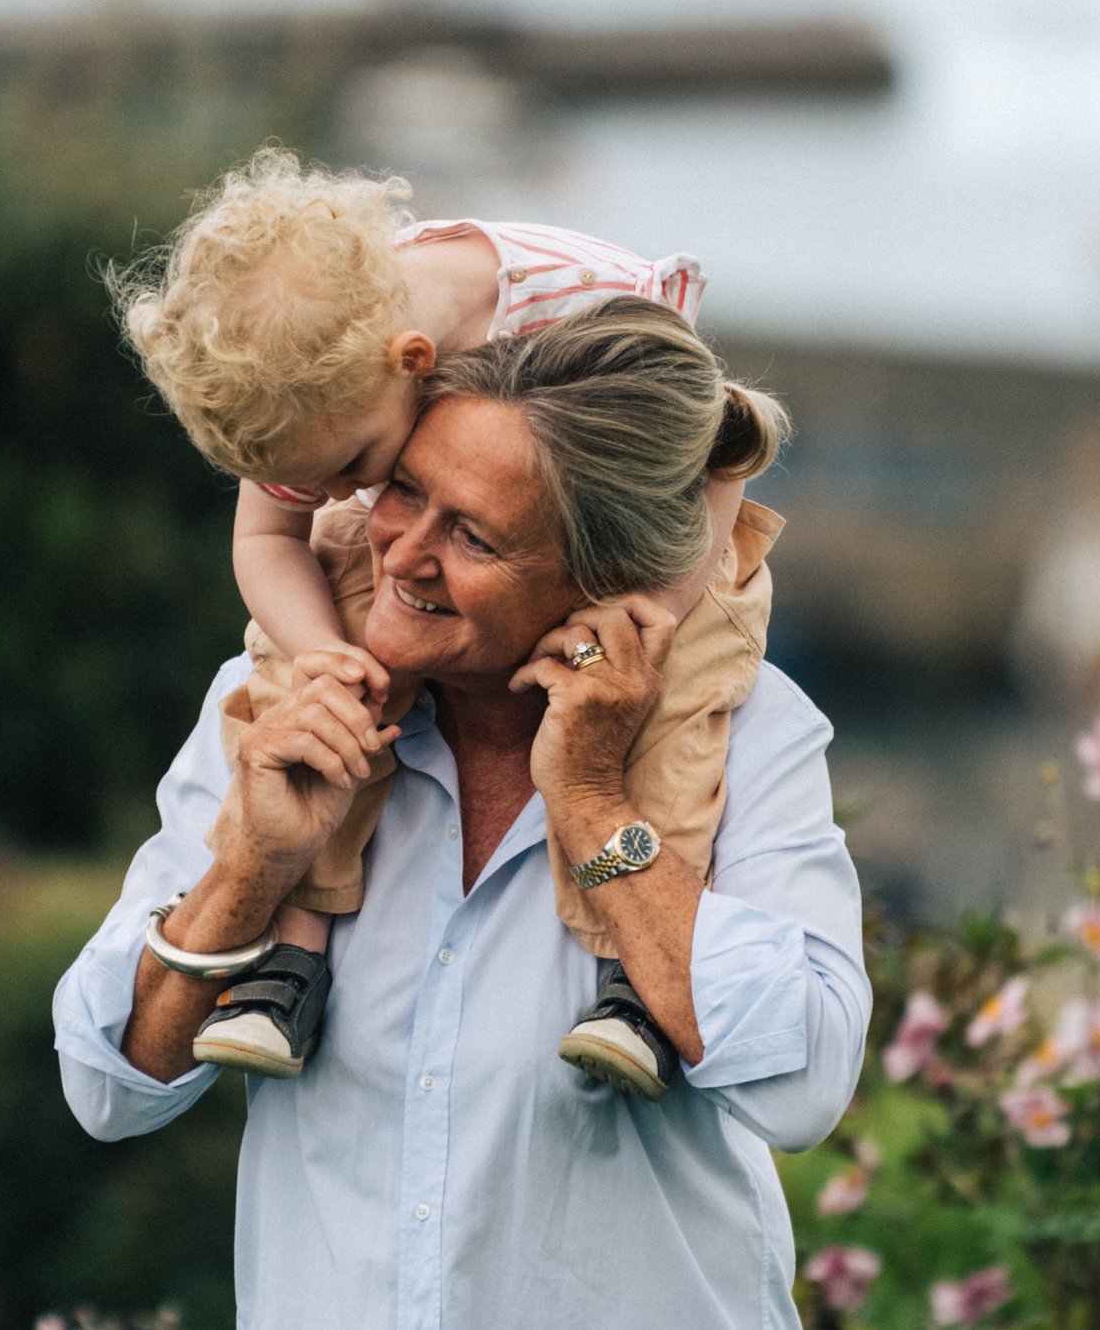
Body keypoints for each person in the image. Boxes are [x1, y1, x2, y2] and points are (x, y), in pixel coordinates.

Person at [52, 301, 867, 1329]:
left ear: (607, 583)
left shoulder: (746, 729)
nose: (400, 553)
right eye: (402, 490)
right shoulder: (275, 703)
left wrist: (591, 803)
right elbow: (108, 1083)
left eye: (473, 534)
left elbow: (803, 1084)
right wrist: (252, 864)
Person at [109, 151, 769, 1091]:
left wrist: (649, 614)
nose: (340, 499)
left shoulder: (581, 305)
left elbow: (719, 446)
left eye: (355, 465)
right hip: (470, 545)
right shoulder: (308, 376)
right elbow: (267, 540)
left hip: (658, 549)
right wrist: (324, 657)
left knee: (673, 705)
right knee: (301, 692)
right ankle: (286, 962)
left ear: (414, 364)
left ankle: (636, 983)